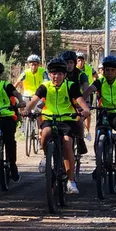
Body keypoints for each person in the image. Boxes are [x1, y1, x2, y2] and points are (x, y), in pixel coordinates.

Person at [27, 57, 91, 194]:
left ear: (65, 75)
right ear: (49, 75)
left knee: (67, 143)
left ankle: (71, 181)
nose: (57, 76)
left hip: (67, 119)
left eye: (60, 73)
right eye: (54, 73)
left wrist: (85, 109)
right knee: (45, 133)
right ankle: (47, 156)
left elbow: (80, 101)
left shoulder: (71, 86)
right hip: (49, 118)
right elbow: (34, 100)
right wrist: (27, 110)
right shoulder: (45, 87)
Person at [76, 52, 96, 140]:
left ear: (84, 61)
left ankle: (87, 130)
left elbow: (96, 76)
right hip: (77, 94)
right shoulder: (74, 70)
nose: (80, 62)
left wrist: (93, 86)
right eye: (78, 60)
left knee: (88, 111)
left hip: (88, 93)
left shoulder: (90, 69)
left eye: (82, 60)